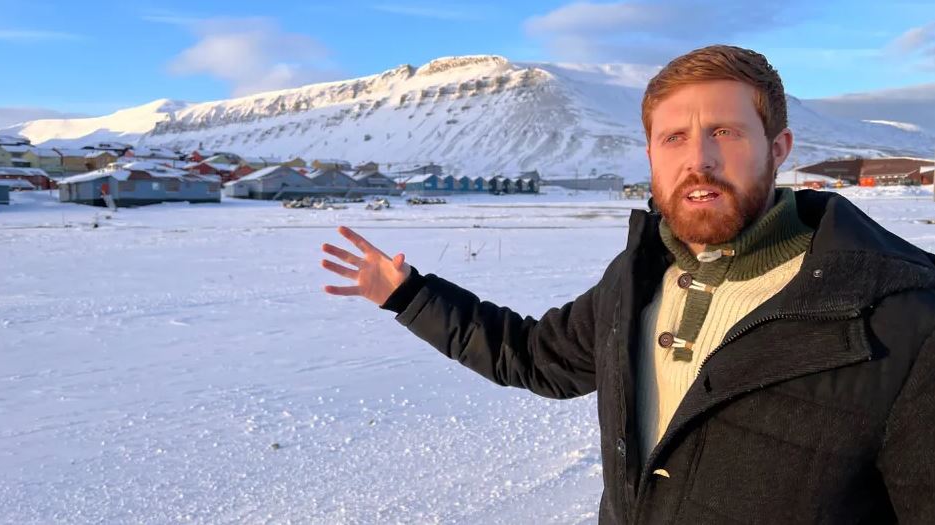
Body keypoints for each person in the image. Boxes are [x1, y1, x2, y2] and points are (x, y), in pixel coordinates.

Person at [320, 45, 935, 524]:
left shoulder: (901, 315)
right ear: (650, 156)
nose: (700, 160)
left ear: (778, 148)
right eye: (675, 138)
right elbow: (535, 356)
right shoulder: (638, 280)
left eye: (725, 132)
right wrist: (407, 295)